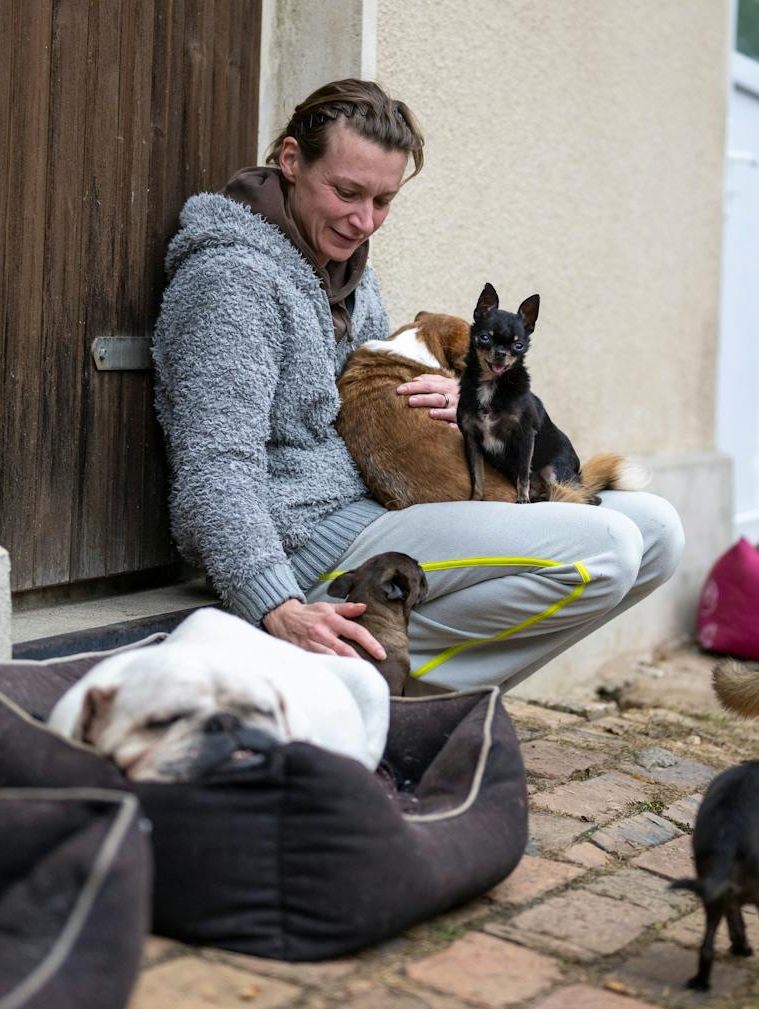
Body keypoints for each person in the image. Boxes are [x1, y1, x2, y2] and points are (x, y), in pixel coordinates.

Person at [151, 79, 683, 691]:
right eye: (346, 192)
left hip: (376, 512)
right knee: (607, 546)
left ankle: (399, 689)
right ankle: (355, 682)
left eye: (382, 201)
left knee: (656, 530)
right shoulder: (231, 281)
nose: (363, 220)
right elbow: (213, 466)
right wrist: (276, 605)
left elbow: (371, 412)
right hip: (302, 544)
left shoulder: (349, 277)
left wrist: (458, 401)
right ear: (291, 161)